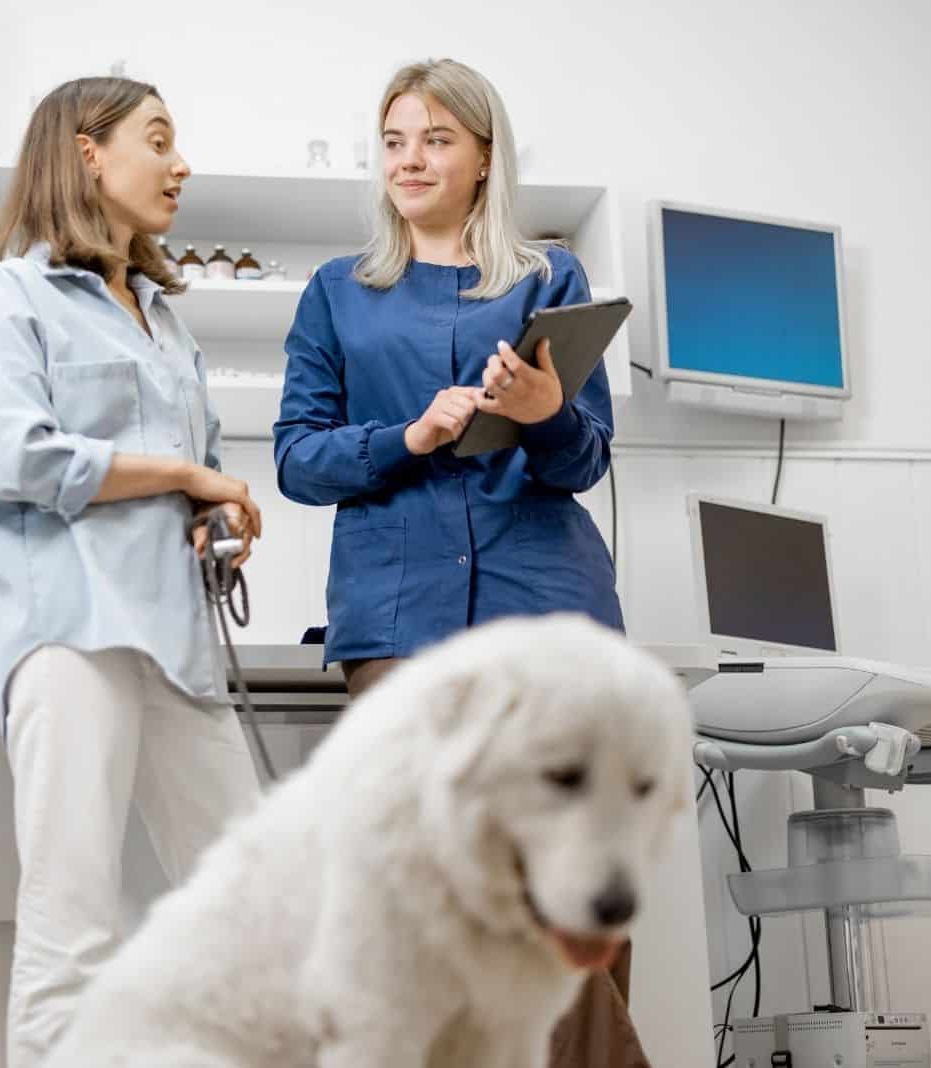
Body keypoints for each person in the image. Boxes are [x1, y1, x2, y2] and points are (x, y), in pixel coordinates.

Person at [273, 58, 645, 1068]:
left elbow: (583, 460)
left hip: (546, 605)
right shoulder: (336, 295)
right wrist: (409, 437)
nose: (410, 159)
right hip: (401, 621)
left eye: (435, 139)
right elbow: (298, 462)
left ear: (484, 157)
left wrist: (542, 413)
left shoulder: (546, 281)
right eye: (393, 140)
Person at [0, 76, 264, 1068]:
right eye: (158, 140)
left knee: (254, 909)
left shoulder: (167, 322)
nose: (182, 164)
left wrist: (215, 512)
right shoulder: (17, 293)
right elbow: (7, 457)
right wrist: (178, 471)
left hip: (177, 643)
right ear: (87, 153)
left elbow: (190, 475)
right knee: (72, 927)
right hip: (73, 633)